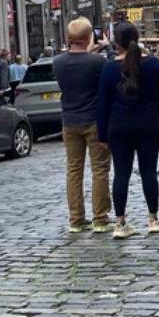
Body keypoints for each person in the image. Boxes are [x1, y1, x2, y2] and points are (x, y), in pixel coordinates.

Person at [96, 22, 159, 239]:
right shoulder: (152, 65)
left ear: (117, 43)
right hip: (147, 124)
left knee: (121, 174)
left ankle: (120, 223)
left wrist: (101, 133)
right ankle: (153, 218)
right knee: (149, 172)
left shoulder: (110, 68)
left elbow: (102, 104)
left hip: (119, 126)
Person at [53, 19, 113, 233]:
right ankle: (100, 218)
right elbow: (110, 75)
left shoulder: (57, 62)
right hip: (94, 121)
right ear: (89, 38)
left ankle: (76, 219)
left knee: (74, 170)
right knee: (99, 170)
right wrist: (103, 47)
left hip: (69, 121)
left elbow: (77, 59)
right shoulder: (97, 62)